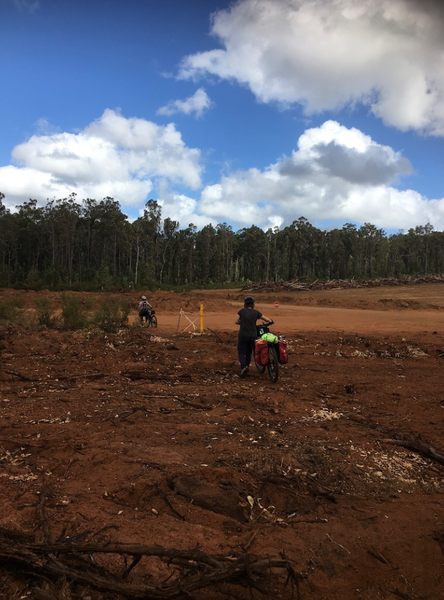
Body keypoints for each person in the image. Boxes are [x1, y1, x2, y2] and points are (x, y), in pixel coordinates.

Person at [235, 296, 272, 378]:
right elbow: (266, 319)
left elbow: (236, 321)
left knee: (241, 352)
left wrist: (242, 322)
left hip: (242, 335)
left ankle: (244, 366)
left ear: (245, 304)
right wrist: (270, 321)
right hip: (253, 336)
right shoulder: (256, 312)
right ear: (253, 304)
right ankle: (247, 366)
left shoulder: (241, 311)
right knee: (249, 352)